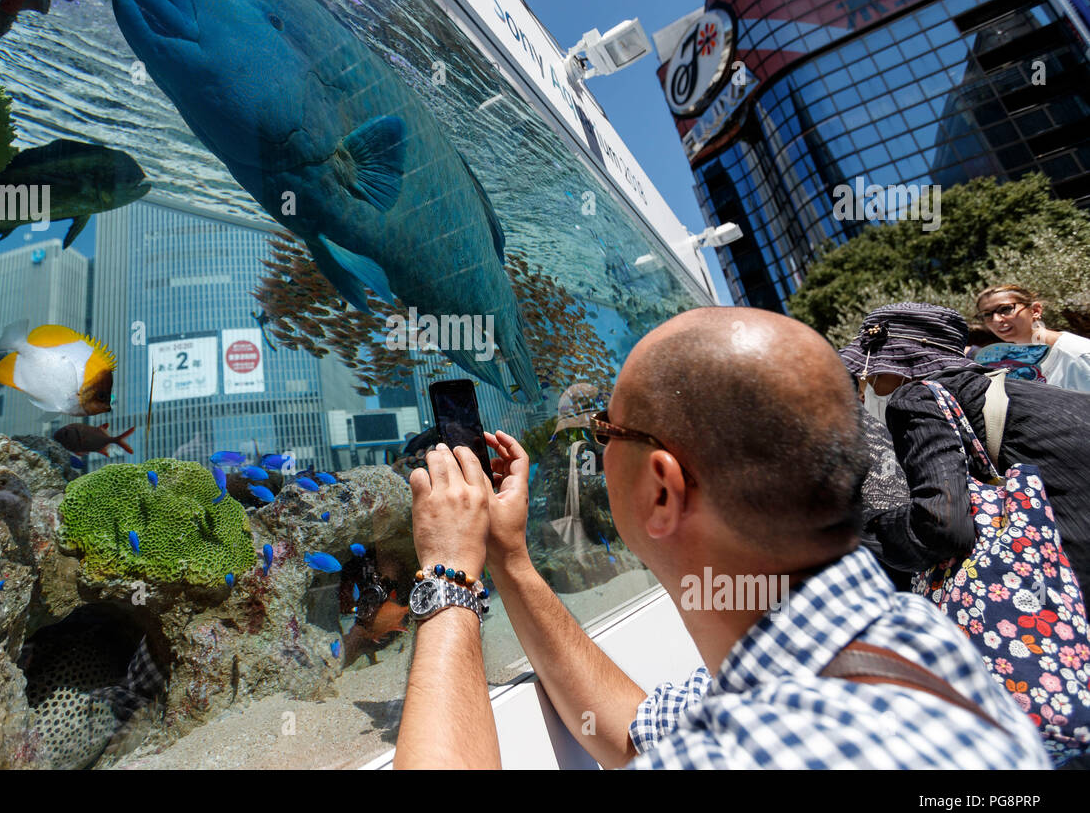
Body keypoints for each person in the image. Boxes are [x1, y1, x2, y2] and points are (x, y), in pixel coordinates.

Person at [393, 307, 1048, 769]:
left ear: (662, 489)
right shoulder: (901, 637)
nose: (597, 447)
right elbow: (634, 733)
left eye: (606, 430)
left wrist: (449, 574)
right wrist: (509, 560)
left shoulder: (767, 750)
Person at [843, 302, 1090, 599]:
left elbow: (941, 530)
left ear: (901, 368)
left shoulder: (916, 396)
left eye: (872, 373)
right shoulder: (1018, 389)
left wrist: (862, 526)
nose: (866, 385)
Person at [974, 284, 1090, 392]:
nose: (996, 320)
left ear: (1035, 310)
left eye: (1005, 309)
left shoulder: (1078, 355)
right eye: (987, 314)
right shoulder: (1014, 364)